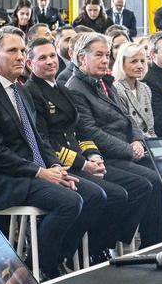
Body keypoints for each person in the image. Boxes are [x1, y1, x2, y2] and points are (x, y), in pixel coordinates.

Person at [0, 26, 107, 279]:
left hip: (29, 172)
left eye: (21, 50)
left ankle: (56, 256)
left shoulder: (19, 90)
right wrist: (41, 172)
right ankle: (40, 267)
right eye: (12, 51)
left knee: (95, 195)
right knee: (70, 202)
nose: (19, 56)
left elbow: (37, 138)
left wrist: (55, 167)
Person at [24, 37, 149, 262]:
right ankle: (61, 256)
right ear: (29, 63)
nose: (51, 61)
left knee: (117, 193)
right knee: (104, 195)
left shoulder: (61, 88)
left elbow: (78, 133)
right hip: (57, 163)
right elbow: (46, 142)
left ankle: (93, 249)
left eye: (52, 55)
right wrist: (83, 163)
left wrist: (93, 155)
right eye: (42, 58)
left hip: (79, 157)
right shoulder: (32, 91)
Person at [66, 32, 162, 247]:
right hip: (106, 154)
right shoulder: (75, 88)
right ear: (81, 59)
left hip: (126, 148)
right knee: (148, 181)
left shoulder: (104, 82)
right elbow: (89, 131)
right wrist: (128, 149)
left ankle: (159, 239)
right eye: (99, 55)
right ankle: (116, 243)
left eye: (107, 55)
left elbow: (128, 118)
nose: (105, 60)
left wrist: (137, 141)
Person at [112, 42, 156, 138]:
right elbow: (126, 128)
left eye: (142, 61)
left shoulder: (145, 89)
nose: (140, 66)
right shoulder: (116, 90)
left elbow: (150, 127)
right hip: (134, 144)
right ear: (122, 64)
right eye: (134, 61)